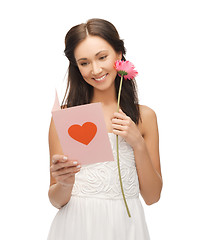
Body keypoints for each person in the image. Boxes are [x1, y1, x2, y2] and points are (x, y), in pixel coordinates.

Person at [47, 18, 163, 240]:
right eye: (84, 62)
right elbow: (55, 200)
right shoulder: (66, 118)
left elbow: (152, 196)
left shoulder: (144, 117)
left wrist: (137, 143)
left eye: (102, 57)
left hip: (126, 228)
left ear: (119, 54)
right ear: (76, 66)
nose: (96, 69)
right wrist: (64, 183)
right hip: (76, 227)